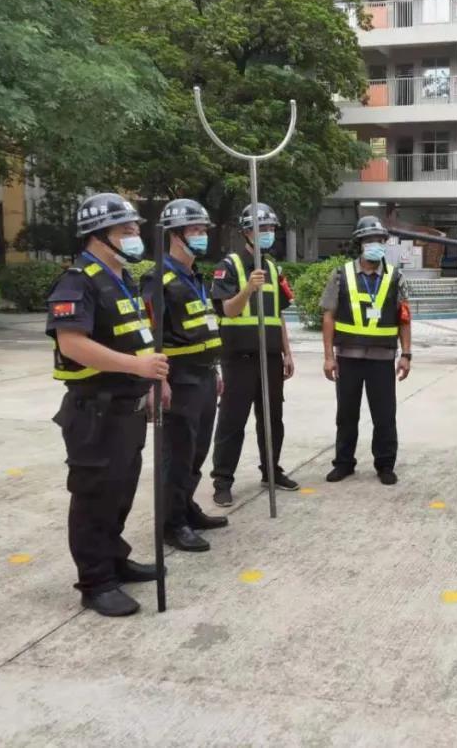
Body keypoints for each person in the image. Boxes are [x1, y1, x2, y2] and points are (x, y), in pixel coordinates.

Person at [46, 192, 169, 617]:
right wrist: (137, 366)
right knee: (94, 497)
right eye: (126, 229)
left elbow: (137, 337)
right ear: (98, 236)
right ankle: (95, 581)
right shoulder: (77, 281)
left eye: (135, 227)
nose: (135, 235)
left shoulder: (123, 279)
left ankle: (114, 559)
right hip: (93, 410)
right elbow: (73, 343)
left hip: (126, 407)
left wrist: (151, 380)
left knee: (120, 491)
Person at [141, 199, 227, 553]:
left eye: (204, 229)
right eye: (194, 230)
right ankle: (170, 523)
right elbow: (146, 332)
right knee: (176, 454)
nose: (202, 236)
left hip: (204, 376)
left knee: (196, 450)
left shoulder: (194, 276)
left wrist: (216, 368)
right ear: (174, 235)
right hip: (178, 380)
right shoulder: (157, 278)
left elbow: (204, 327)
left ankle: (186, 506)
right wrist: (157, 380)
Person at [209, 203, 297, 507]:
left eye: (272, 229)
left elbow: (279, 315)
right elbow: (227, 310)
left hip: (270, 357)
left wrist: (287, 351)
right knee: (232, 421)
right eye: (263, 229)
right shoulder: (229, 266)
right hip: (239, 357)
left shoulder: (273, 268)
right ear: (246, 231)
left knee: (273, 419)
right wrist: (248, 288)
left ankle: (271, 470)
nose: (268, 234)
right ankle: (222, 480)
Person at [319, 216, 412, 485]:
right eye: (370, 240)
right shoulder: (341, 275)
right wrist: (328, 357)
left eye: (380, 240)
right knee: (346, 414)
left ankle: (385, 465)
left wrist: (406, 354)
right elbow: (329, 316)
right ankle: (344, 463)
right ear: (360, 243)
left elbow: (404, 317)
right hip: (348, 358)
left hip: (382, 360)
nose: (376, 245)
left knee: (384, 416)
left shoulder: (396, 277)